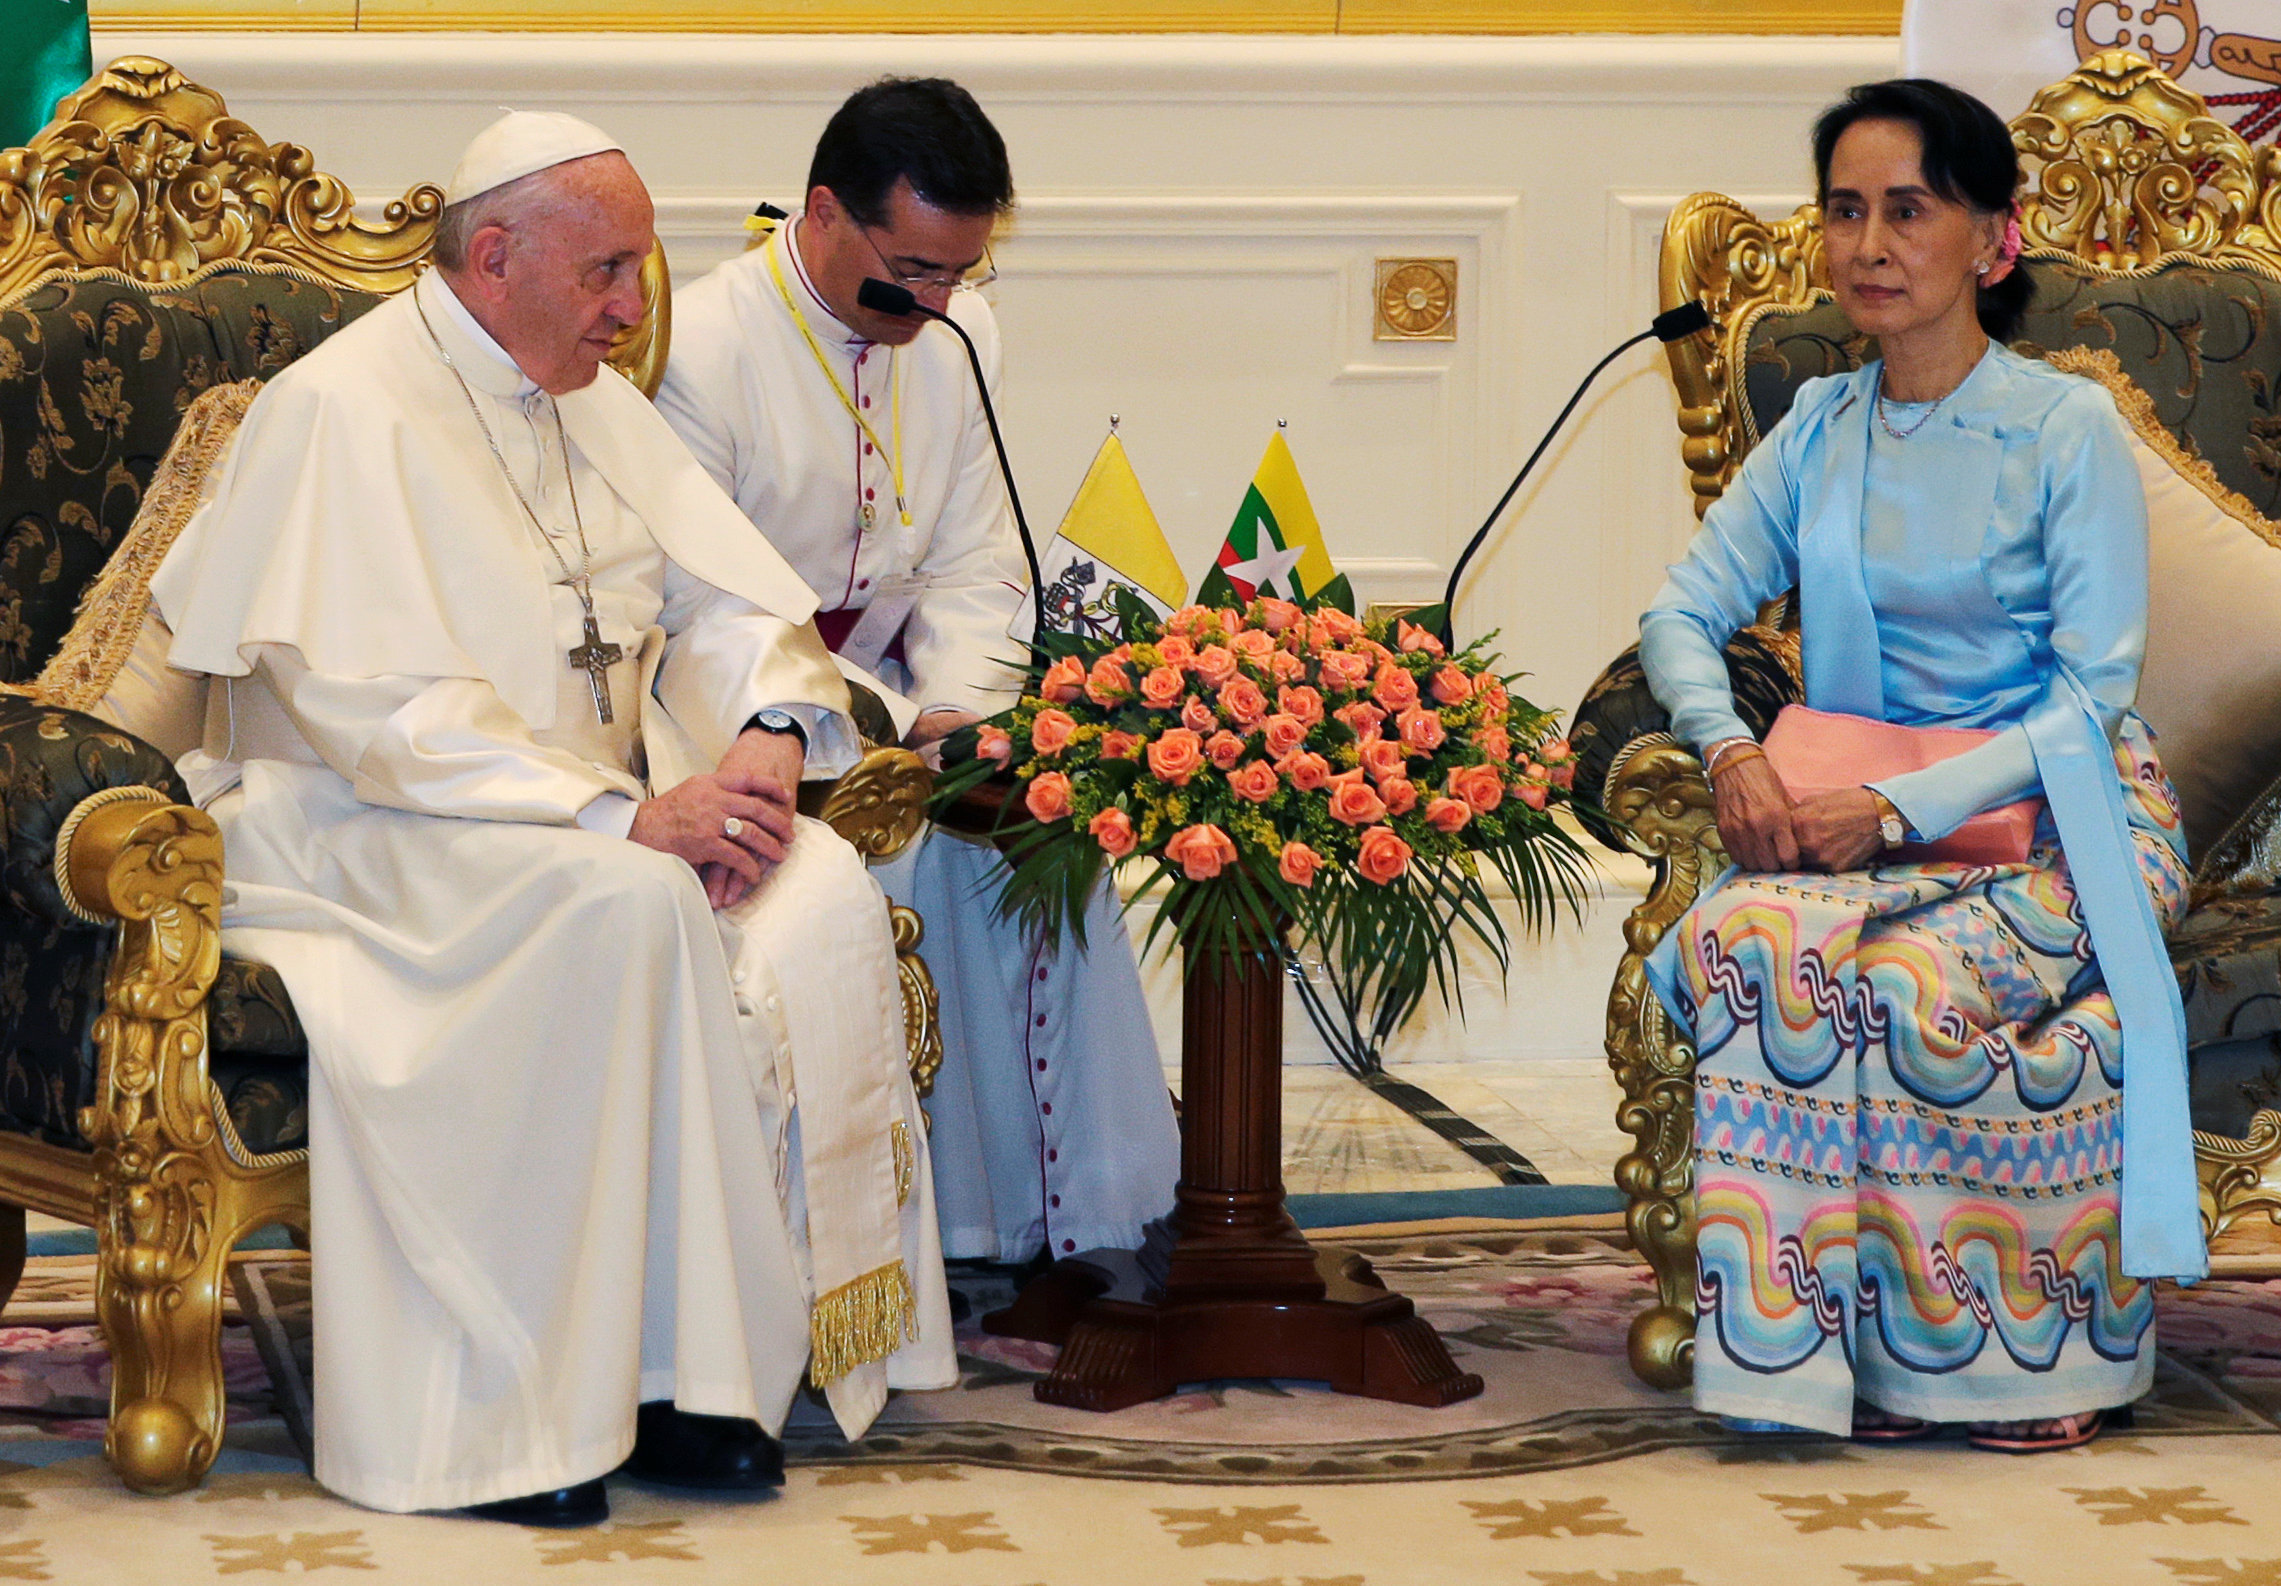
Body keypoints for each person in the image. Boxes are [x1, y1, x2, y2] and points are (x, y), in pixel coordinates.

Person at [148, 111, 955, 1525]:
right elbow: (371, 707)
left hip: (570, 820)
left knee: (807, 876)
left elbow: (714, 604)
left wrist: (768, 731)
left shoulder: (588, 399)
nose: (636, 311)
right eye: (609, 273)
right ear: (498, 253)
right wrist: (610, 818)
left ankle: (684, 1375)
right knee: (626, 901)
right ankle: (504, 1415)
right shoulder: (342, 408)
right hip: (357, 827)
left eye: (639, 272)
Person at [1637, 78, 2205, 1453]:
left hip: (2068, 811)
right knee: (1753, 950)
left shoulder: (2064, 429)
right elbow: (1679, 613)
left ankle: (2016, 1366)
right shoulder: (1820, 431)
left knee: (1902, 988)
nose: (1868, 244)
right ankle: (1811, 1359)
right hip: (1860, 819)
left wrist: (1895, 804)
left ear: (1991, 242)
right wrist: (1727, 753)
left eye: (1908, 209)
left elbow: (2092, 696)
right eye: (1844, 211)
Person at [656, 78, 1180, 1269]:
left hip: (901, 682)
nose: (935, 303)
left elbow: (974, 552)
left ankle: (1071, 1212)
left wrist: (958, 702)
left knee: (1035, 817)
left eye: (960, 274)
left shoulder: (955, 334)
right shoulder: (701, 345)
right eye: (912, 270)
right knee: (914, 833)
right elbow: (703, 598)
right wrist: (840, 713)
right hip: (736, 703)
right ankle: (912, 1228)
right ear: (824, 212)